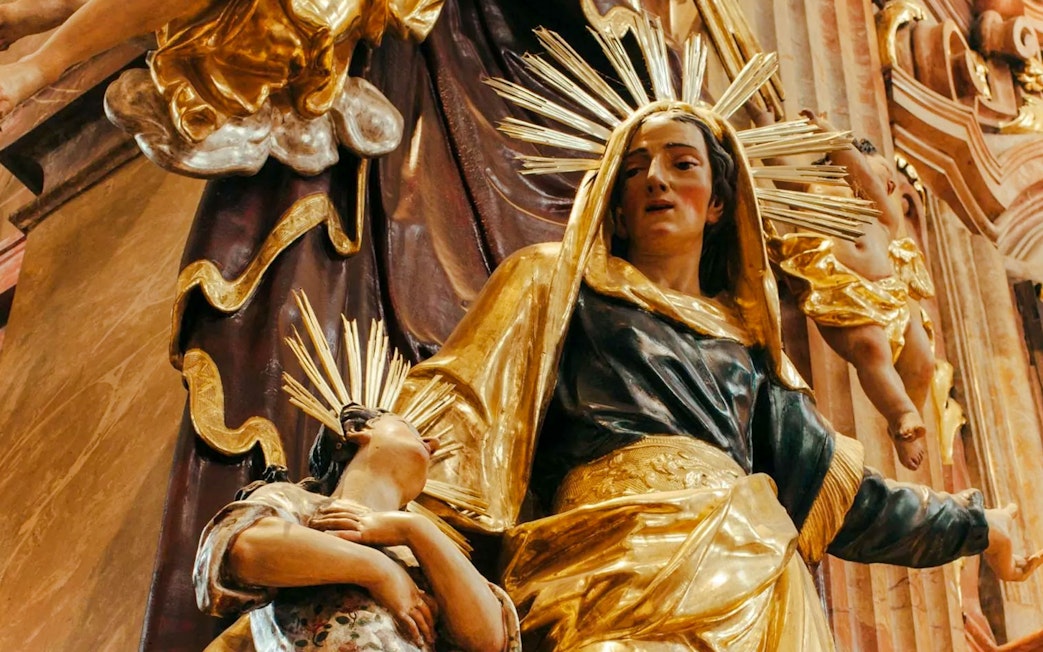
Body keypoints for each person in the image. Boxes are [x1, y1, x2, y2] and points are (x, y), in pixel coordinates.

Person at [396, 101, 1043, 650]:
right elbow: (458, 415)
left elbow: (844, 502)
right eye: (634, 168)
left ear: (716, 204)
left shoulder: (745, 347)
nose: (655, 179)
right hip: (602, 574)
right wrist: (385, 513)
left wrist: (978, 524)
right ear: (613, 202)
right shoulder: (549, 282)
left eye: (681, 164)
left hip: (755, 594)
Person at [194, 403, 520, 652]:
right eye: (411, 430)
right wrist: (378, 570)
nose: (433, 444)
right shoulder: (298, 503)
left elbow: (490, 640)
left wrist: (417, 531)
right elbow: (241, 551)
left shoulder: (417, 553)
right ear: (358, 430)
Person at [762, 108, 937, 470]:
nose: (888, 186)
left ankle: (910, 412)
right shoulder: (816, 191)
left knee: (922, 360)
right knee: (870, 348)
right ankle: (900, 413)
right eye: (885, 175)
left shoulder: (883, 215)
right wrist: (768, 122)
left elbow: (868, 183)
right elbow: (779, 167)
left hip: (889, 294)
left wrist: (838, 143)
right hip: (843, 291)